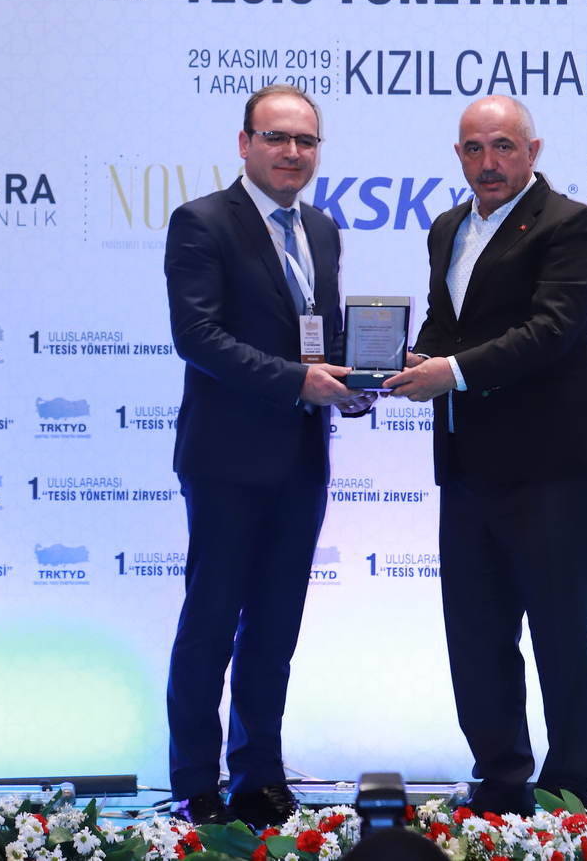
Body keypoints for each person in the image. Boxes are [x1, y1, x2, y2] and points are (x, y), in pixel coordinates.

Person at [385, 96, 587, 817]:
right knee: (476, 639)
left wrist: (449, 372)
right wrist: (395, 366)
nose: (489, 162)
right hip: (466, 467)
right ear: (459, 156)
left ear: (532, 152)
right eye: (474, 149)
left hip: (550, 470)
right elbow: (446, 326)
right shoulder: (447, 227)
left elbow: (551, 331)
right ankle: (500, 789)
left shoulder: (572, 225)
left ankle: (570, 797)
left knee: (561, 640)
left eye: (504, 146)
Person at [164, 84, 366, 829]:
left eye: (305, 141)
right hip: (226, 460)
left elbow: (321, 336)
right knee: (211, 625)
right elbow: (197, 336)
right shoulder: (202, 222)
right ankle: (195, 781)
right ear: (245, 143)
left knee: (274, 630)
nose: (292, 152)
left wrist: (358, 381)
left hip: (302, 459)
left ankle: (258, 775)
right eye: (276, 137)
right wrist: (296, 382)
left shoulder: (322, 229)